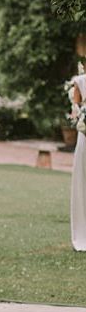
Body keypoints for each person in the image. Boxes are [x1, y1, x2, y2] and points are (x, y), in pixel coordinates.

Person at [70, 73, 86, 251]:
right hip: (85, 136)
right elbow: (75, 109)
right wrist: (79, 116)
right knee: (83, 180)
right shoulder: (80, 81)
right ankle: (83, 233)